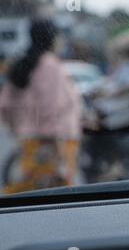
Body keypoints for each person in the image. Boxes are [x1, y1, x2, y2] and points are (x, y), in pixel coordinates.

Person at [0, 19, 81, 194]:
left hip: (31, 140)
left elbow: (5, 104)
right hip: (54, 141)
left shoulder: (22, 64)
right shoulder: (50, 64)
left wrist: (17, 128)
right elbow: (52, 106)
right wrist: (55, 144)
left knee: (31, 194)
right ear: (52, 38)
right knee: (57, 197)